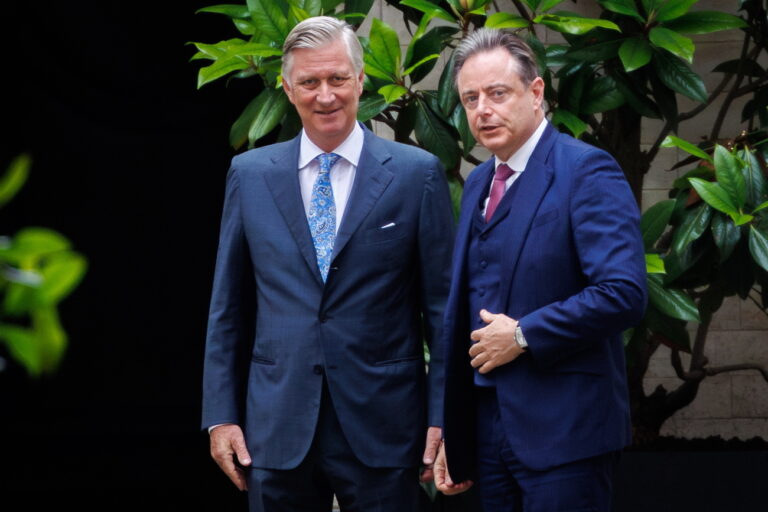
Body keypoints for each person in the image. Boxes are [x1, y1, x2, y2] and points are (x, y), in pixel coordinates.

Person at [201, 16, 454, 512]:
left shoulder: (414, 175)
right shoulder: (249, 175)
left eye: (338, 79)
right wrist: (220, 416)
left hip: (385, 422)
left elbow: (443, 310)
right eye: (309, 82)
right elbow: (227, 307)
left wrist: (443, 416)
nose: (325, 95)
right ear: (287, 88)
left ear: (361, 80)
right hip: (275, 424)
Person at [434, 29, 647, 511]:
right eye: (470, 98)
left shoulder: (587, 170)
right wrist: (454, 429)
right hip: (488, 435)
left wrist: (525, 334)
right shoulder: (477, 185)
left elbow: (623, 292)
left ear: (535, 93)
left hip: (567, 434)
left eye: (497, 93)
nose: (482, 109)